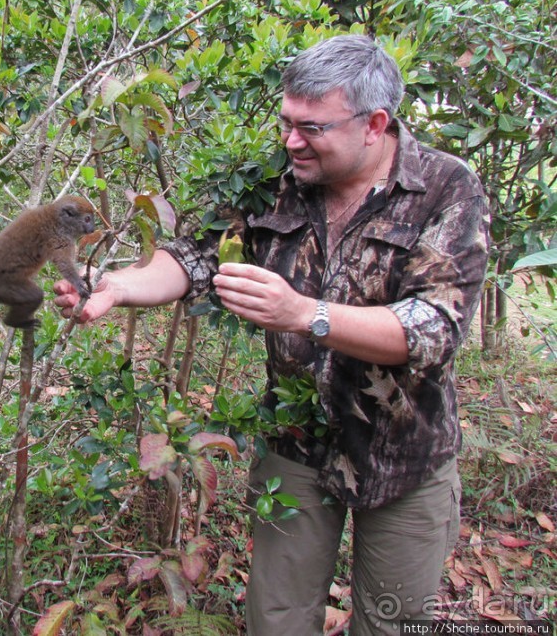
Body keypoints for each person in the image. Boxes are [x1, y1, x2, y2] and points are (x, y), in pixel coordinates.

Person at [54, 34, 489, 635]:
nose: (290, 141)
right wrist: (120, 287)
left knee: (394, 622)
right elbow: (193, 257)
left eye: (311, 128)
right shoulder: (273, 177)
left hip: (405, 453)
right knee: (277, 620)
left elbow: (434, 329)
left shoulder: (446, 188)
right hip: (294, 444)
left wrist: (306, 313)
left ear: (375, 124)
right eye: (285, 122)